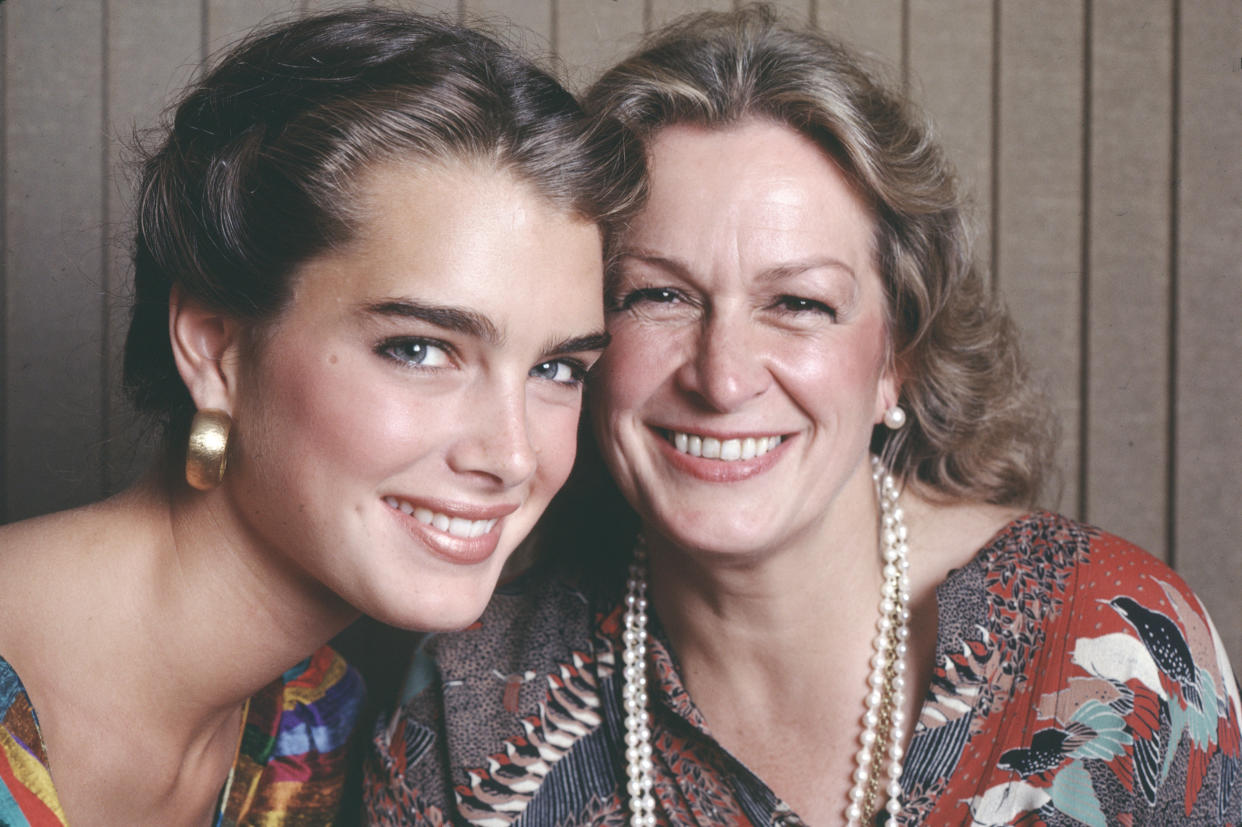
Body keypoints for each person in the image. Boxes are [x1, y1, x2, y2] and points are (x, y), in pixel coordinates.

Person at [367, 6, 1242, 826]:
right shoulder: (466, 712)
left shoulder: (1115, 644)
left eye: (798, 303)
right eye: (659, 294)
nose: (723, 376)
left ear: (895, 357)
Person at [0, 6, 643, 824]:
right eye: (419, 349)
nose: (512, 455)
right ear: (215, 349)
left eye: (557, 368)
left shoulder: (312, 723)